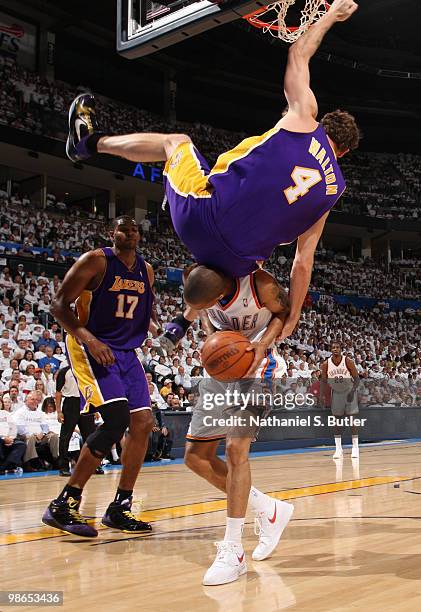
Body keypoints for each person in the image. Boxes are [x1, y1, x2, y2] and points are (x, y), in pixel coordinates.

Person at [65, 0, 359, 348]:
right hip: (234, 266)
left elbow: (298, 54)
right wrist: (294, 314)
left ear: (323, 123)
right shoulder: (332, 191)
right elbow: (302, 262)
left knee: (176, 143)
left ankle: (88, 143)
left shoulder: (304, 117)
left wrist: (330, 16)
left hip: (202, 215)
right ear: (344, 153)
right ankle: (181, 323)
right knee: (231, 265)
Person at [42, 216, 157, 537]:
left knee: (143, 423)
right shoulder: (95, 261)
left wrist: (157, 328)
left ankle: (120, 506)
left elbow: (142, 309)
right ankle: (63, 503)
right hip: (89, 344)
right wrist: (89, 339)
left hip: (125, 352)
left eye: (135, 228)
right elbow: (59, 305)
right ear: (113, 234)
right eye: (124, 228)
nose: (131, 232)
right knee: (116, 421)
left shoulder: (146, 271)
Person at [184, 268, 294, 585]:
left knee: (235, 449)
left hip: (257, 365)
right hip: (222, 367)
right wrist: (209, 336)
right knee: (196, 457)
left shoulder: (260, 284)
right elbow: (201, 311)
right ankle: (268, 509)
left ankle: (234, 550)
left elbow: (283, 311)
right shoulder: (196, 278)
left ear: (220, 296)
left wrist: (264, 343)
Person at [55, 364, 98, 477]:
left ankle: (93, 464)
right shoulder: (64, 372)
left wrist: (95, 408)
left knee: (91, 436)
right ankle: (64, 466)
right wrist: (59, 411)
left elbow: (92, 390)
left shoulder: (87, 370)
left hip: (85, 403)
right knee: (65, 436)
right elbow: (58, 392)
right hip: (70, 403)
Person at [320, 340, 360, 459]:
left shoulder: (347, 361)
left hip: (349, 392)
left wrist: (352, 392)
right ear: (330, 349)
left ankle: (355, 448)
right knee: (337, 422)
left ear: (341, 349)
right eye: (333, 347)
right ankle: (338, 449)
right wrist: (322, 395)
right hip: (336, 393)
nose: (335, 349)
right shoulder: (326, 364)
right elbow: (323, 381)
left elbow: (357, 379)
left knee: (352, 420)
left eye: (337, 347)